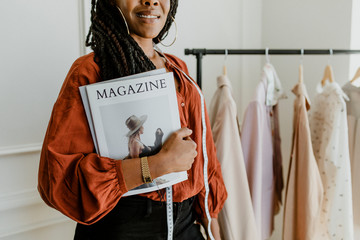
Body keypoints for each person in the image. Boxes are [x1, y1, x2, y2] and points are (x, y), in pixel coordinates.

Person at [37, 0, 227, 239]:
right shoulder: (89, 73)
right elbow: (59, 179)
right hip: (123, 228)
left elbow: (206, 161)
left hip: (187, 227)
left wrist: (212, 226)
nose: (151, 1)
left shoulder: (179, 69)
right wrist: (158, 165)